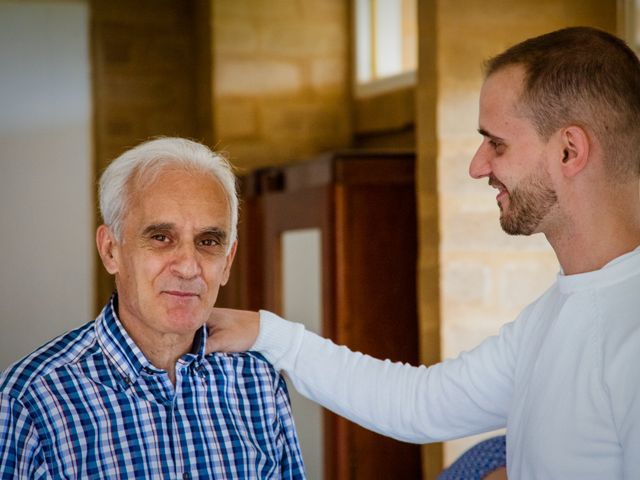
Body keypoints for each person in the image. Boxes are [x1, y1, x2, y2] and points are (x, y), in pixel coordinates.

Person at [206, 26, 640, 479]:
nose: (477, 166)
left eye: (497, 143)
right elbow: (420, 404)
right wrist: (268, 334)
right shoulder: (552, 314)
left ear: (570, 151)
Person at [0, 137, 305, 478]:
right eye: (161, 238)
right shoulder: (30, 401)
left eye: (208, 242)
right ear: (111, 250)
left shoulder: (258, 383)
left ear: (228, 260)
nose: (189, 267)